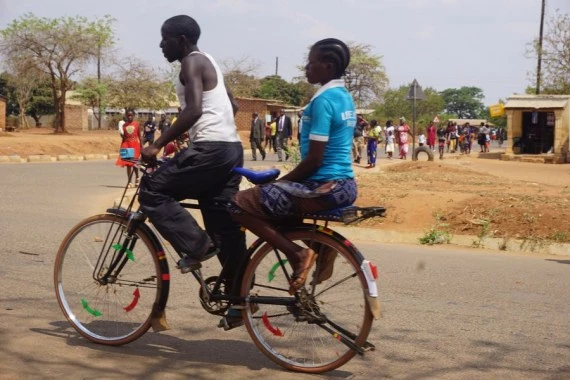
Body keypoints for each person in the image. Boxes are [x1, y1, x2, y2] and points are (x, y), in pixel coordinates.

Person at [231, 38, 357, 302]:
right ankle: (319, 248)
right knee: (274, 205)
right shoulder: (344, 97)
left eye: (311, 63)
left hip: (324, 185)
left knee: (238, 205)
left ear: (328, 66)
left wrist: (279, 183)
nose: (306, 68)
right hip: (344, 185)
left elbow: (315, 160)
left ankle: (298, 254)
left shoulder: (323, 102)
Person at [138, 15, 246, 316]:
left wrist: (157, 144)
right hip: (230, 148)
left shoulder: (190, 62)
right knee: (222, 223)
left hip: (211, 149)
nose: (161, 45)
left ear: (181, 41)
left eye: (165, 38)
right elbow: (231, 107)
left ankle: (198, 247)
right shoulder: (208, 61)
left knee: (151, 190)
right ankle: (238, 298)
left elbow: (196, 109)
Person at [115, 110, 142, 186]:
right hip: (127, 144)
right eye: (128, 115)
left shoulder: (136, 124)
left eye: (131, 115)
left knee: (135, 163)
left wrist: (142, 147)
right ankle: (129, 181)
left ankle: (137, 178)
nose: (129, 117)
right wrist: (122, 146)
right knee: (128, 164)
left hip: (135, 145)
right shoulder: (124, 125)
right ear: (126, 116)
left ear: (133, 116)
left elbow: (139, 136)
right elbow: (124, 137)